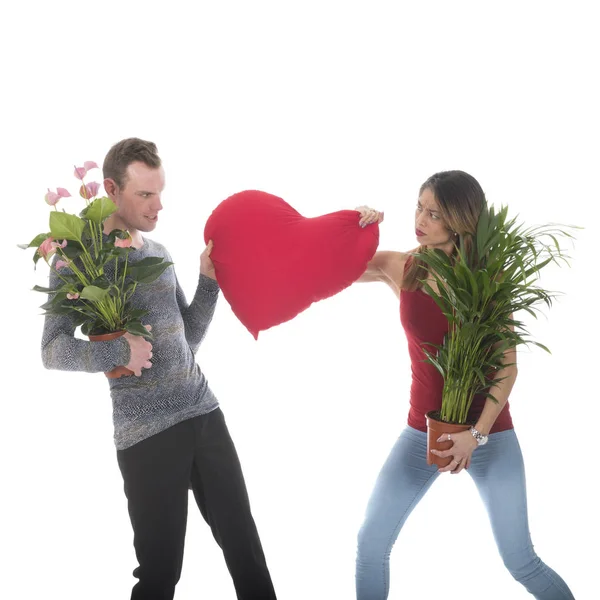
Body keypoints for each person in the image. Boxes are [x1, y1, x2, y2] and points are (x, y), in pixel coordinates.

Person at [41, 138, 277, 600]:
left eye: (160, 192)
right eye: (145, 195)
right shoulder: (78, 258)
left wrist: (207, 282)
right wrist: (116, 354)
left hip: (203, 412)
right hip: (145, 432)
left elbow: (184, 340)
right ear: (110, 188)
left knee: (246, 549)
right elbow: (52, 350)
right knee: (160, 572)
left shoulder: (160, 252)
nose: (158, 205)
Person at [352, 170, 575, 599]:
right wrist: (355, 227)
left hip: (488, 435)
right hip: (423, 432)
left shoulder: (487, 280)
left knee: (521, 560)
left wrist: (476, 436)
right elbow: (335, 270)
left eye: (434, 213)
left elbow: (507, 368)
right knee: (370, 544)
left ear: (458, 221)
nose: (420, 218)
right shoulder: (405, 267)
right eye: (419, 206)